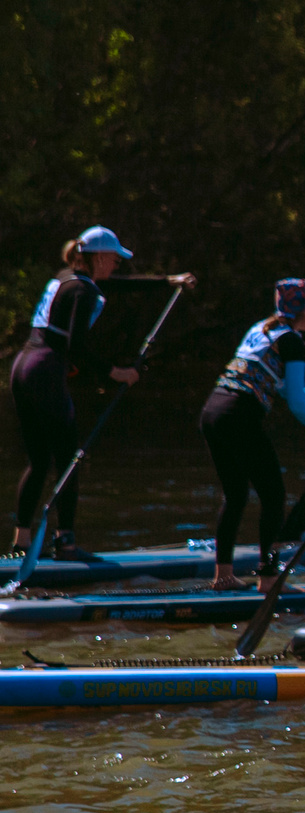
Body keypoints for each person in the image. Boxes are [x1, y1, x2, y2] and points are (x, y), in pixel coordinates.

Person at [12, 226, 195, 562]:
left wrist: (168, 282)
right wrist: (116, 373)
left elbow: (118, 285)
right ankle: (66, 543)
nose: (116, 265)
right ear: (97, 258)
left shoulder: (66, 278)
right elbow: (76, 348)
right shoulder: (84, 293)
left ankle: (20, 543)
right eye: (114, 259)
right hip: (46, 372)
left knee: (38, 461)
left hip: (23, 367)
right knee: (68, 460)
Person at [198, 277, 305, 588]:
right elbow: (295, 403)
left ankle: (223, 576)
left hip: (212, 412)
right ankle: (268, 578)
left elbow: (281, 385)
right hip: (238, 417)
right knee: (273, 496)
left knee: (235, 495)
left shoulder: (262, 329)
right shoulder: (292, 341)